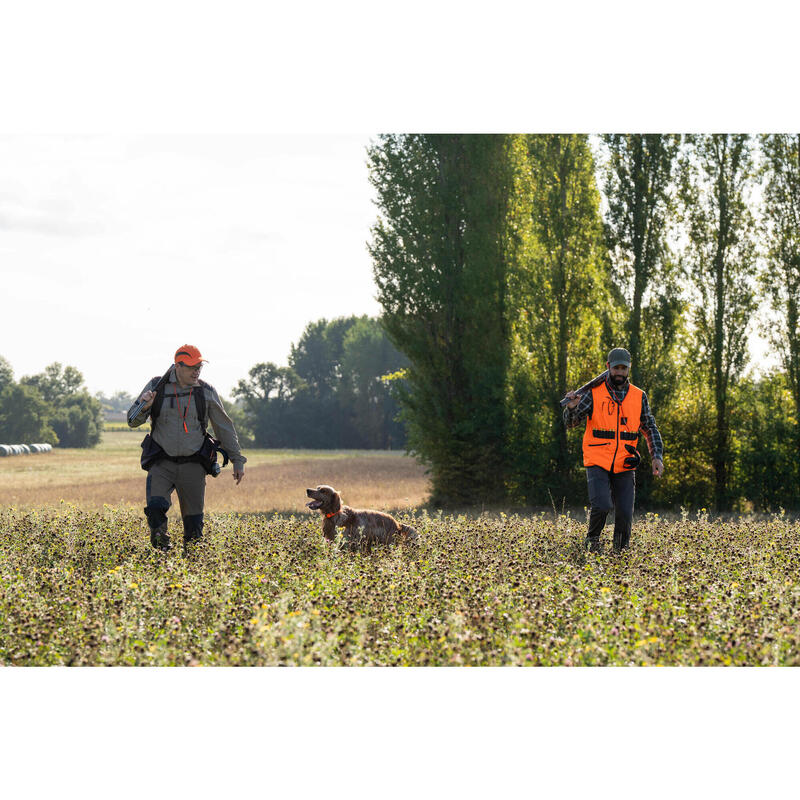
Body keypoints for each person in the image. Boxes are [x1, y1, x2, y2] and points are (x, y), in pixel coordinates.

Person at [128, 344, 246, 552]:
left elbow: (224, 427)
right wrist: (145, 406)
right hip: (161, 463)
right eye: (192, 367)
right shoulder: (157, 386)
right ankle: (161, 557)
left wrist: (237, 459)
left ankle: (191, 569)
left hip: (194, 464)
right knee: (155, 511)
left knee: (194, 527)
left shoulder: (206, 391)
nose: (196, 371)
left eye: (199, 366)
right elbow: (132, 420)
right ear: (178, 366)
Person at [564, 347, 664, 553]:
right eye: (616, 368)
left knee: (625, 513)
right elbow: (570, 423)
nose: (619, 372)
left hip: (625, 462)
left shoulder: (639, 396)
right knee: (601, 505)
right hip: (597, 460)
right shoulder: (593, 393)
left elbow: (649, 427)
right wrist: (572, 407)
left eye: (623, 368)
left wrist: (657, 456)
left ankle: (620, 553)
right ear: (608, 367)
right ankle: (592, 542)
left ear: (629, 369)